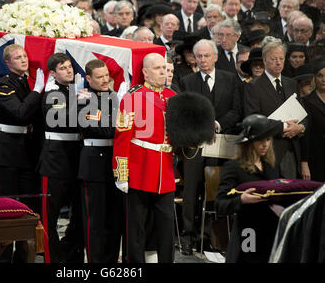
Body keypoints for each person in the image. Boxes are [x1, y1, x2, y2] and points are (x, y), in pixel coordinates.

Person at [179, 39, 241, 255]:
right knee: (191, 190)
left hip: (221, 143)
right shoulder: (187, 81)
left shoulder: (230, 79)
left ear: (215, 56)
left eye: (207, 56)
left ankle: (210, 236)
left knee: (215, 189)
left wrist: (217, 124)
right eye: (199, 56)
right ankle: (187, 235)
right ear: (195, 59)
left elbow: (236, 110)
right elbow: (185, 111)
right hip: (195, 144)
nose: (203, 60)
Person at [113, 53, 177, 263]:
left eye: (165, 68)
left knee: (167, 227)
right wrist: (122, 174)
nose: (163, 72)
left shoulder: (174, 97)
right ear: (145, 72)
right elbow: (123, 137)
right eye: (158, 68)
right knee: (135, 229)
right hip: (140, 170)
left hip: (165, 172)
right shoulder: (132, 97)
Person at [0, 44, 45, 262]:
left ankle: (24, 256)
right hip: (7, 151)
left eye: (24, 56)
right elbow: (20, 113)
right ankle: (3, 258)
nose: (23, 60)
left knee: (27, 209)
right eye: (17, 57)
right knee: (6, 206)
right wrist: (37, 91)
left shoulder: (25, 83)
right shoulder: (4, 86)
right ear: (7, 63)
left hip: (26, 150)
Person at [215, 114, 281, 263]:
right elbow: (220, 204)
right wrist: (241, 200)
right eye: (260, 140)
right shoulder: (233, 167)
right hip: (248, 231)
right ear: (248, 142)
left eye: (268, 139)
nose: (265, 144)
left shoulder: (272, 166)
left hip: (270, 230)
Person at [39, 53, 84, 263]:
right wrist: (80, 103)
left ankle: (70, 252)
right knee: (50, 214)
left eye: (69, 67)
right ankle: (52, 257)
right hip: (55, 158)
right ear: (53, 74)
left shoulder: (73, 91)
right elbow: (60, 120)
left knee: (79, 212)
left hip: (75, 156)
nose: (69, 70)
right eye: (63, 68)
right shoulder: (51, 93)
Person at [77, 59, 122, 263]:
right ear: (88, 78)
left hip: (113, 161)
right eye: (99, 77)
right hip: (94, 163)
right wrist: (123, 124)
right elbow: (99, 129)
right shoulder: (83, 100)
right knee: (95, 219)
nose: (105, 80)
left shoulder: (113, 96)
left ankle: (111, 262)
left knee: (114, 218)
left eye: (107, 76)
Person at [244, 40, 307, 179]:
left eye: (281, 58)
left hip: (293, 149)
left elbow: (304, 115)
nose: (278, 62)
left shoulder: (292, 83)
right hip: (269, 150)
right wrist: (284, 127)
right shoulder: (254, 86)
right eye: (274, 59)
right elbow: (253, 119)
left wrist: (301, 127)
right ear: (265, 61)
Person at [301, 61, 325, 182]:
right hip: (316, 157)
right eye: (320, 75)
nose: (323, 79)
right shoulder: (307, 102)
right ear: (315, 78)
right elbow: (305, 135)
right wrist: (304, 163)